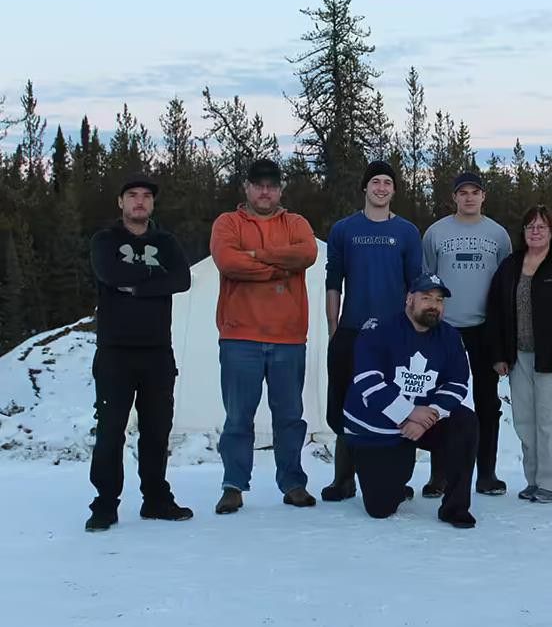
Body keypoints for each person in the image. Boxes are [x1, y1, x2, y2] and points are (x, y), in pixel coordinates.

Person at [210, 159, 319, 514]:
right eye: (259, 185)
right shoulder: (228, 223)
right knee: (238, 417)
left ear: (281, 189)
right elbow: (229, 262)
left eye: (272, 185)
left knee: (289, 417)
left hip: (289, 337)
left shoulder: (296, 223)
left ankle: (293, 483)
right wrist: (278, 268)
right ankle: (233, 485)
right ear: (247, 187)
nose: (265, 191)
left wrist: (256, 256)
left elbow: (307, 253)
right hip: (239, 336)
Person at [85, 176, 192, 532]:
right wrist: (154, 276)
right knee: (111, 430)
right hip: (115, 352)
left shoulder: (166, 242)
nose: (139, 201)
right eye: (132, 195)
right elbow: (109, 272)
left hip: (157, 351)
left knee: (157, 429)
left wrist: (135, 286)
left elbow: (181, 280)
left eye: (146, 196)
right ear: (121, 202)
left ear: (153, 204)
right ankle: (105, 504)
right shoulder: (106, 240)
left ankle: (156, 499)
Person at [342, 274, 479, 528]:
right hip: (377, 427)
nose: (433, 305)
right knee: (381, 508)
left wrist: (428, 417)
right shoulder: (379, 330)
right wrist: (407, 413)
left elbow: (457, 382)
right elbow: (367, 380)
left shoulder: (449, 336)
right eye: (426, 298)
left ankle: (455, 508)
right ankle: (389, 477)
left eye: (439, 300)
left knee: (464, 421)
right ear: (409, 300)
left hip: (420, 421)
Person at [320, 160, 422, 502]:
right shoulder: (344, 230)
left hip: (394, 336)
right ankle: (343, 479)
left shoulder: (407, 232)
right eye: (375, 181)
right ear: (365, 187)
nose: (381, 188)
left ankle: (395, 478)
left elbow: (416, 285)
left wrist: (414, 331)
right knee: (344, 405)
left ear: (394, 190)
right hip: (352, 331)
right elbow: (333, 281)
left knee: (396, 404)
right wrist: (334, 328)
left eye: (387, 183)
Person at [486, 205, 552, 503]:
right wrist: (499, 355)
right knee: (525, 422)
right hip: (518, 357)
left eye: (542, 226)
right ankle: (533, 479)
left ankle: (550, 483)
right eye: (530, 226)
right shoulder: (510, 266)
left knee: (551, 422)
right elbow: (494, 311)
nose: (535, 231)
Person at [422, 172, 512, 497]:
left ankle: (486, 473)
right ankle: (439, 475)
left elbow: (506, 282)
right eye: (463, 192)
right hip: (444, 329)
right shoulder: (436, 233)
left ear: (483, 196)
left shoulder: (498, 235)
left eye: (475, 192)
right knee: (438, 400)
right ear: (455, 197)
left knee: (486, 402)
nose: (469, 197)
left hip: (484, 328)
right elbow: (427, 280)